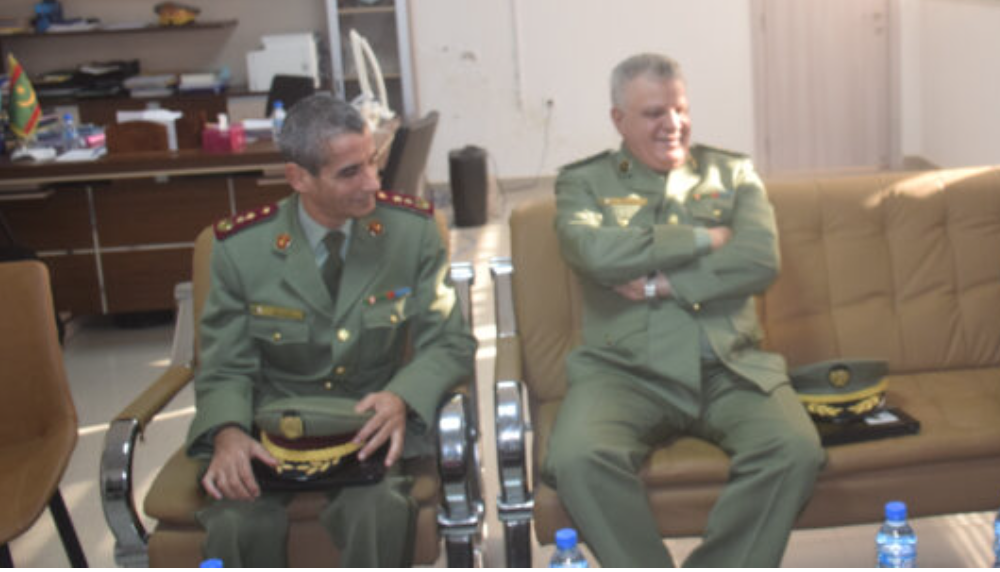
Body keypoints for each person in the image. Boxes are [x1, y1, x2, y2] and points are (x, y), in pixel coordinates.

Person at [545, 52, 825, 567]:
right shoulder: (584, 183)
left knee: (793, 449)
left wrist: (663, 284)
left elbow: (759, 258)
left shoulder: (732, 172)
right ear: (618, 120)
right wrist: (700, 236)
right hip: (624, 374)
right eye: (654, 113)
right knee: (577, 457)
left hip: (729, 366)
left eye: (680, 108)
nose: (672, 124)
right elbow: (592, 252)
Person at [184, 94, 476, 566]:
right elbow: (224, 366)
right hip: (274, 430)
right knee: (237, 524)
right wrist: (228, 433)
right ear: (298, 177)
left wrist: (401, 396)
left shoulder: (410, 231)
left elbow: (448, 340)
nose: (373, 184)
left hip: (369, 429)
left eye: (373, 163)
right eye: (350, 173)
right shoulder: (242, 249)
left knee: (380, 511)